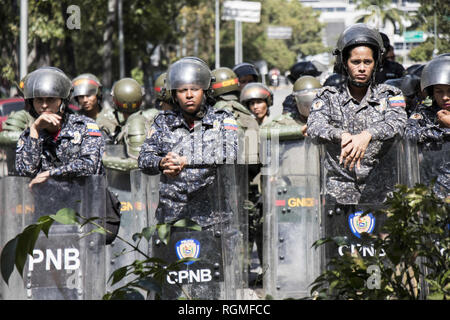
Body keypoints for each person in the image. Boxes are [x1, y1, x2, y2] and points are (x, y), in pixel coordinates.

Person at [306, 23, 408, 204]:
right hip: (339, 191)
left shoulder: (391, 95)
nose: (362, 68)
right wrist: (341, 134)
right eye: (356, 62)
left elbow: (399, 124)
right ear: (345, 63)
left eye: (367, 62)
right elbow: (314, 126)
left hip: (383, 191)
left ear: (376, 63)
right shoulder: (328, 96)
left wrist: (367, 135)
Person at [138, 57, 238, 227]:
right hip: (172, 217)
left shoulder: (222, 119)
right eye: (183, 90)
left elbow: (230, 153)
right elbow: (144, 159)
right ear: (175, 95)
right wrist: (162, 163)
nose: (189, 95)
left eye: (195, 89)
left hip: (214, 220)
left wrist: (186, 160)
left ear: (205, 91)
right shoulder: (163, 121)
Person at [15, 67, 105, 187]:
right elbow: (26, 172)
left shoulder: (85, 127)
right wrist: (35, 131)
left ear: (63, 101)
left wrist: (51, 174)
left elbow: (89, 165)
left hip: (83, 201)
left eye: (50, 99)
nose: (44, 105)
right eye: (39, 100)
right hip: (46, 202)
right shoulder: (28, 135)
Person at [405, 54, 449, 198]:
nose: (445, 97)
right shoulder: (425, 111)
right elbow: (408, 132)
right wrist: (441, 130)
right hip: (432, 189)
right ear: (431, 92)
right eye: (439, 91)